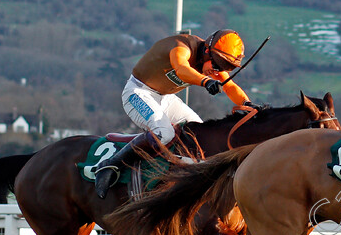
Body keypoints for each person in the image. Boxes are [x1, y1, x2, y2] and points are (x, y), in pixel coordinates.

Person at [92, 29, 261, 199]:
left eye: (223, 68)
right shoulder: (182, 47)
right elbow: (181, 69)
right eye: (216, 65)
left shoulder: (211, 60)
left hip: (164, 97)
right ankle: (111, 166)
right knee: (164, 132)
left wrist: (246, 104)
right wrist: (205, 81)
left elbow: (229, 86)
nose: (217, 71)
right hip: (137, 92)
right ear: (207, 51)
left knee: (199, 133)